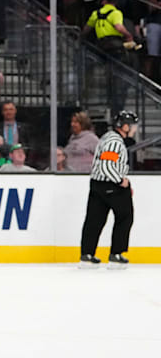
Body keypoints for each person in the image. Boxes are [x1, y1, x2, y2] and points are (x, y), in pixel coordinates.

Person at [80, 110, 136, 269]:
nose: (134, 129)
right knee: (125, 217)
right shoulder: (115, 142)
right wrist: (120, 180)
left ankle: (87, 255)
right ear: (124, 126)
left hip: (98, 185)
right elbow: (107, 165)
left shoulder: (107, 137)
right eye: (132, 125)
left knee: (94, 220)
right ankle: (116, 254)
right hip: (110, 184)